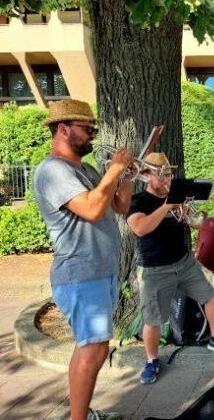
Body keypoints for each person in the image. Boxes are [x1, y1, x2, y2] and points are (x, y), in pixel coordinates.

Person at [33, 99, 134, 420]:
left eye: (93, 129)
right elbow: (90, 209)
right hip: (80, 273)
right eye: (87, 129)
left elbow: (118, 206)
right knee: (95, 350)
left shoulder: (85, 169)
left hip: (98, 272)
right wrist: (114, 169)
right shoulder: (52, 170)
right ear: (63, 129)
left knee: (90, 348)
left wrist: (127, 176)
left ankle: (83, 413)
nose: (93, 135)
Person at [126, 152, 214, 385]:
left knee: (213, 291)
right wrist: (168, 206)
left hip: (185, 262)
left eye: (169, 174)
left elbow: (195, 223)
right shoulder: (138, 201)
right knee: (153, 319)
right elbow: (139, 228)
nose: (167, 180)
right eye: (161, 175)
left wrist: (191, 214)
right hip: (154, 269)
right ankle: (151, 360)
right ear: (146, 175)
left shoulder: (175, 196)